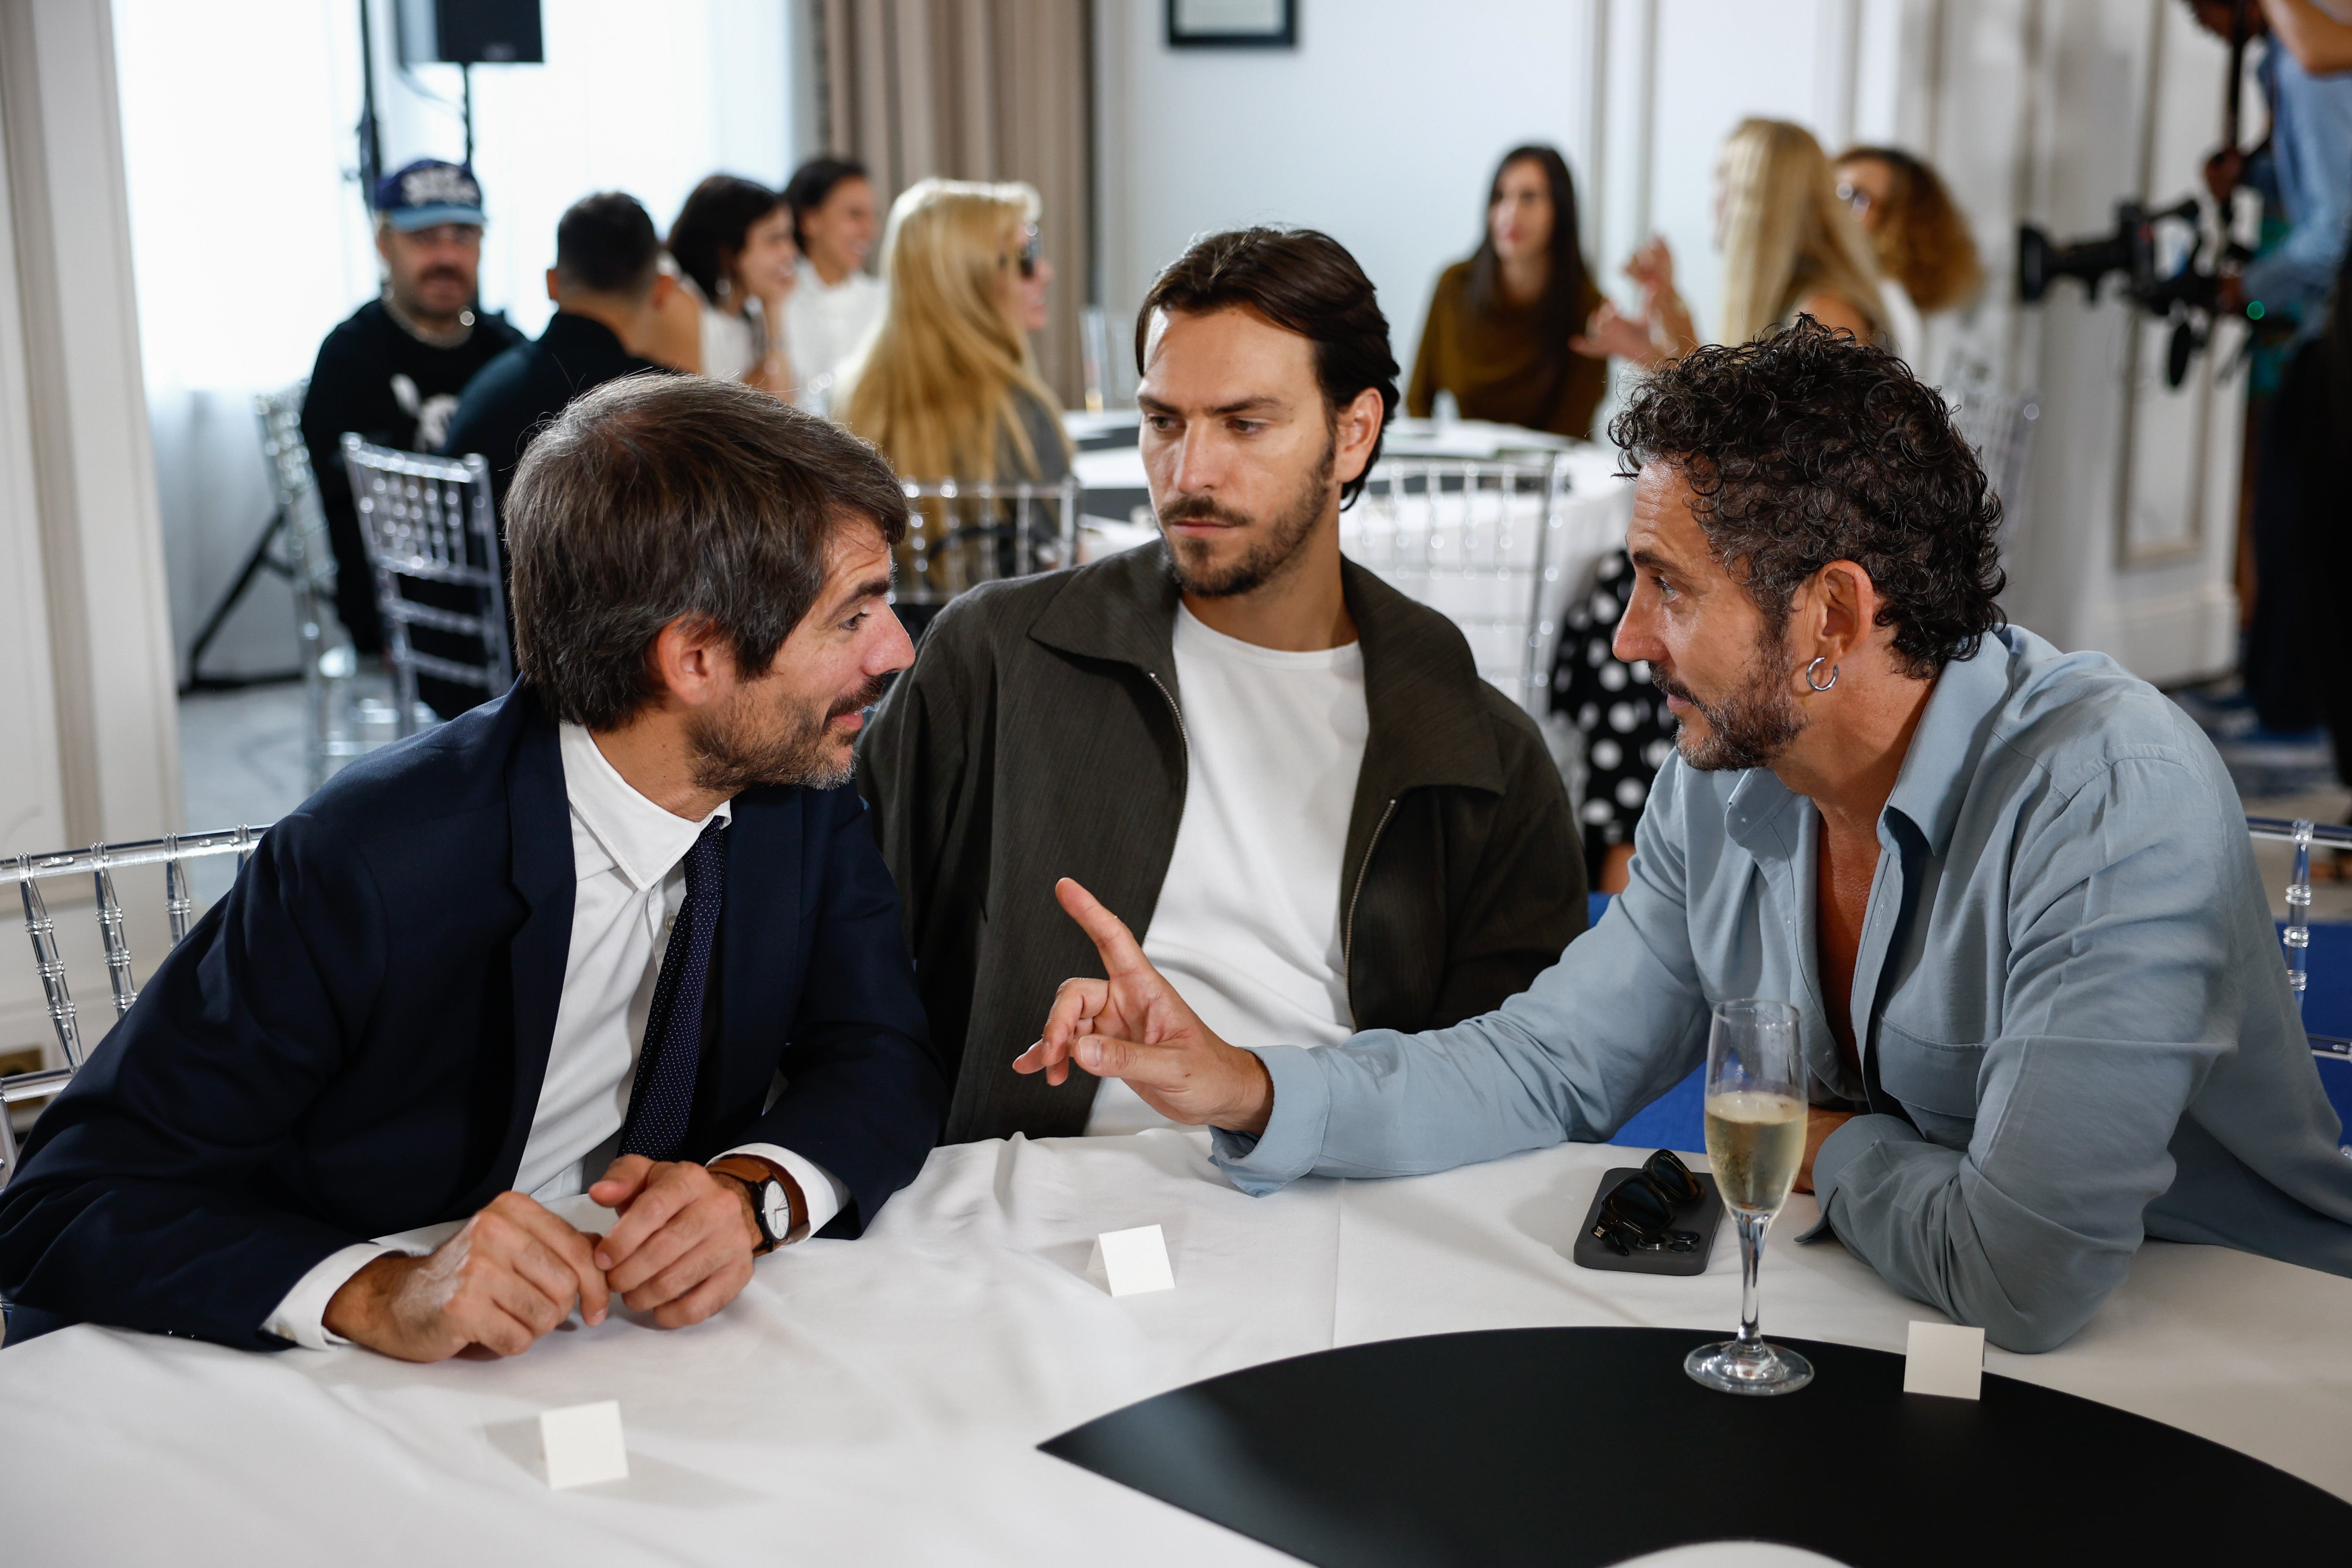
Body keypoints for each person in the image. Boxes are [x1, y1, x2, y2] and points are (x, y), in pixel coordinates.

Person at [1018, 319, 2352, 1355]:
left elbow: (2029, 1271)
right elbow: (1546, 1066)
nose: (1625, 637)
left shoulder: (2102, 791)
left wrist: (1826, 1143)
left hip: (2231, 1354)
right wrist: (1247, 1082)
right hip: (1914, 1338)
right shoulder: (1726, 774)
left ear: (1830, 614)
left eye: (1667, 586)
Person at [0, 375, 942, 1357]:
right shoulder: (370, 863)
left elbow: (881, 1055)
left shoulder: (789, 796)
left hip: (622, 1355)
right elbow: (65, 1202)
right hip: (332, 1395)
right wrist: (381, 1293)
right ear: (695, 658)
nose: (897, 649)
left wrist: (753, 1194)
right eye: (851, 616)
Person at [862, 226, 1585, 1143]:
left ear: (1353, 433)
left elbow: (1514, 1086)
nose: (1189, 473)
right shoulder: (997, 658)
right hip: (1027, 1196)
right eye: (1164, 421)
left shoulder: (1480, 753)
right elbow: (842, 962)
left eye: (1246, 424)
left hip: (1342, 1208)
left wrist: (1259, 1093)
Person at [300, 159, 523, 654]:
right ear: (384, 245)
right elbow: (365, 514)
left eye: (463, 236)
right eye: (425, 238)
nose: (447, 255)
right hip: (404, 610)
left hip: (511, 599)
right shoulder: (351, 356)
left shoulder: (508, 350)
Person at [835, 178, 1073, 637]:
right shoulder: (1021, 418)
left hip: (879, 672)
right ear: (973, 280)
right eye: (1025, 259)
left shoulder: (845, 403)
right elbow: (1055, 566)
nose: (1045, 272)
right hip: (1004, 666)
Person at [1577, 118, 1887, 367]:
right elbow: (1738, 419)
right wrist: (1653, 341)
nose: (1715, 198)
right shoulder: (1798, 299)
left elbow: (1749, 442)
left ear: (1761, 201)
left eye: (1725, 179)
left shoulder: (1823, 316)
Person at [1406, 145, 1608, 439]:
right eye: (1500, 197)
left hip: (1552, 477)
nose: (1509, 213)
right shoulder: (1454, 286)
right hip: (1463, 470)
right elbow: (1417, 401)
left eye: (1529, 198)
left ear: (1560, 211)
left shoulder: (1588, 307)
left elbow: (1572, 433)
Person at [1832, 144, 1984, 354]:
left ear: (1902, 223)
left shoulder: (1867, 307)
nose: (1832, 208)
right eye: (1829, 190)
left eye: (1854, 196)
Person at [667, 173, 799, 395]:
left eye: (789, 237)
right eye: (774, 240)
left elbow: (785, 410)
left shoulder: (750, 316)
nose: (791, 253)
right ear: (727, 251)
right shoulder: (684, 304)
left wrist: (774, 310)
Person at [782, 156, 885, 411]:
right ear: (809, 221)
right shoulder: (774, 301)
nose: (869, 231)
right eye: (854, 215)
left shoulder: (887, 301)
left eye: (873, 217)